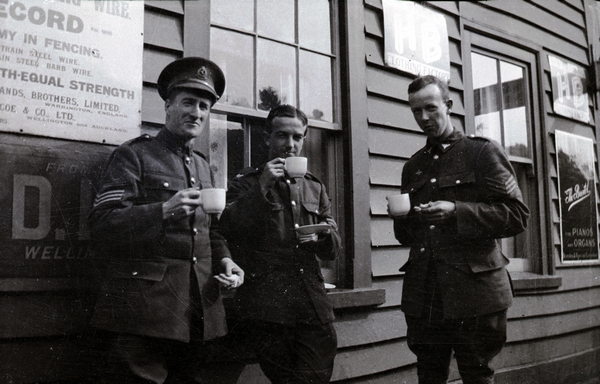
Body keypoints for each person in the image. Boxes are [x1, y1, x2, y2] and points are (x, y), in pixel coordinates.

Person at [88, 57, 244, 384]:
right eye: (188, 102)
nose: (196, 112)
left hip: (198, 312)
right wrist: (162, 210)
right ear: (168, 106)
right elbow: (102, 225)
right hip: (144, 313)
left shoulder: (203, 167)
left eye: (204, 105)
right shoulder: (134, 156)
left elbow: (211, 230)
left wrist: (226, 260)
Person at [390, 75, 529, 384]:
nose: (423, 118)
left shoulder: (481, 153)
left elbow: (517, 215)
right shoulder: (413, 167)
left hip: (475, 293)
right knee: (429, 375)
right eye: (415, 111)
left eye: (430, 108)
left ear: (448, 106)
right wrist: (403, 218)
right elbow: (407, 237)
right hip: (426, 294)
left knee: (477, 375)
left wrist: (457, 211)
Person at [219, 104, 341, 383]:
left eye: (297, 137)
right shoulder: (245, 183)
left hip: (313, 307)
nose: (290, 144)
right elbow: (227, 229)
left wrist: (322, 235)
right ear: (267, 138)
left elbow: (334, 249)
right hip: (268, 309)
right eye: (282, 136)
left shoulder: (314, 186)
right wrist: (261, 187)